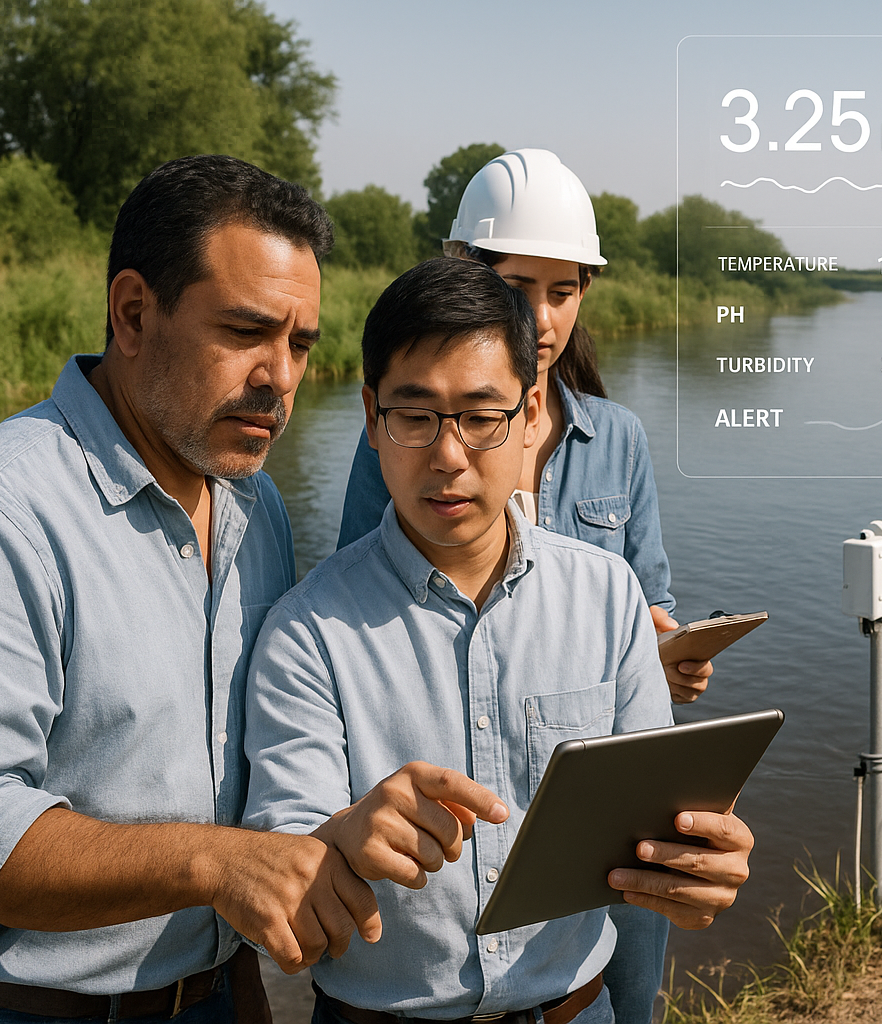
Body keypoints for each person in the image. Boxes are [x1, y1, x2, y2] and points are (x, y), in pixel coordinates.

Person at [0, 156, 499, 1019]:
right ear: (133, 314)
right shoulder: (17, 508)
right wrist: (217, 863)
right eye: (245, 331)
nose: (282, 377)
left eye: (300, 342)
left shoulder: (253, 503)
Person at [243, 258, 755, 1023]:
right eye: (413, 416)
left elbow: (652, 816)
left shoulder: (609, 595)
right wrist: (341, 837)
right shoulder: (305, 632)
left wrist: (696, 867)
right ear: (370, 415)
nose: (449, 456)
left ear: (531, 412)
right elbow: (283, 859)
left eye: (482, 417)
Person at [334, 149, 704, 1022]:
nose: (539, 316)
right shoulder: (400, 436)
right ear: (464, 273)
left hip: (594, 810)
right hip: (459, 816)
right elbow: (362, 598)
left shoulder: (617, 437)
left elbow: (643, 597)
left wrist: (664, 652)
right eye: (516, 284)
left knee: (625, 995)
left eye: (563, 290)